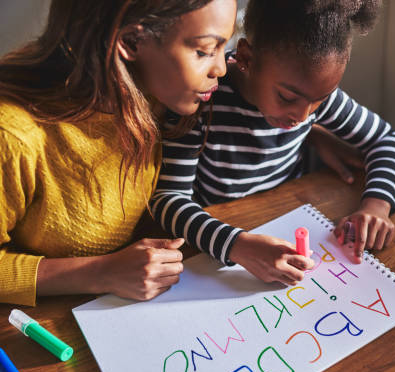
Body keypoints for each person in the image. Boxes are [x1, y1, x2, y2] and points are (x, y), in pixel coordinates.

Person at [152, 0, 395, 286]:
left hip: (286, 218)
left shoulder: (311, 97)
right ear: (247, 58)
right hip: (217, 240)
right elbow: (169, 199)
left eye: (319, 100)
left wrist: (376, 206)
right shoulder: (200, 99)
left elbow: (387, 140)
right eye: (287, 98)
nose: (302, 116)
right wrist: (237, 245)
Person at [0, 0, 238, 306]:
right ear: (130, 41)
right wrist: (101, 272)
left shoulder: (155, 92)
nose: (220, 68)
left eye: (225, 46)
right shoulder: (14, 136)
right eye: (204, 51)